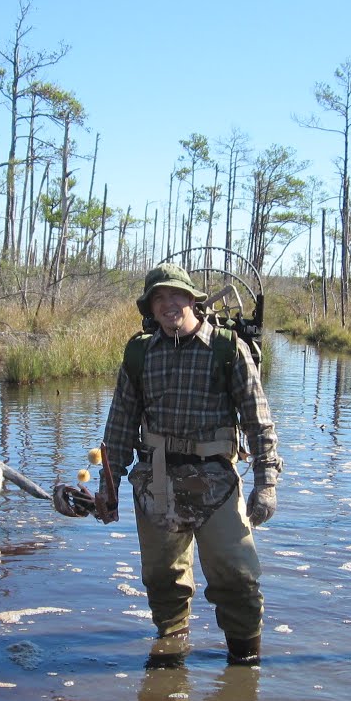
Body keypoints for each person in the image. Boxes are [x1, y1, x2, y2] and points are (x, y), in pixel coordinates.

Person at [94, 264, 280, 666]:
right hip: (155, 483)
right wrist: (107, 488)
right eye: (158, 298)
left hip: (217, 485)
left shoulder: (229, 349)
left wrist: (265, 484)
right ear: (150, 308)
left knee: (238, 580)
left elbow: (258, 420)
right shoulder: (140, 353)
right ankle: (169, 660)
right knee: (163, 583)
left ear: (193, 299)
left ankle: (245, 669)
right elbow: (120, 425)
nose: (168, 304)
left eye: (175, 295)